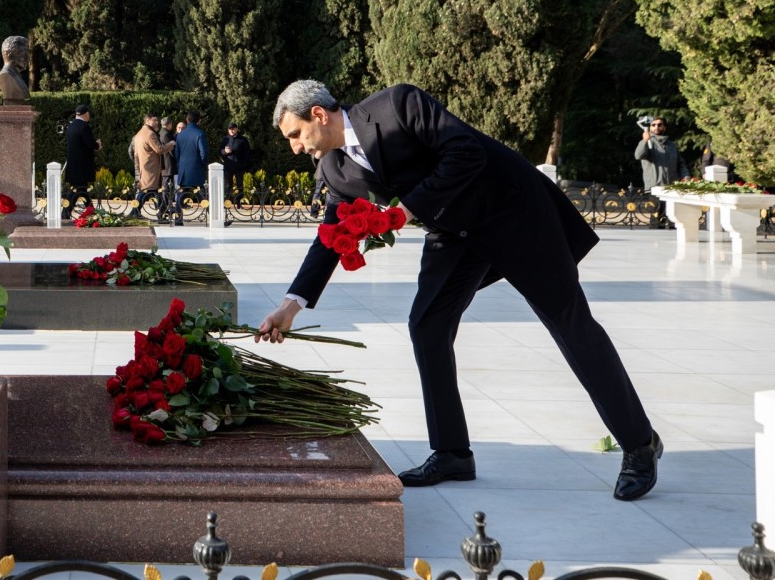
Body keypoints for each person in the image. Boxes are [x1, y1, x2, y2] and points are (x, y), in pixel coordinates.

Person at [258, 80, 662, 502]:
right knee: (427, 325)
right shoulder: (335, 169)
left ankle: (639, 445)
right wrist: (292, 305)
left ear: (318, 115)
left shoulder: (398, 105)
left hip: (511, 211)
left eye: (295, 135)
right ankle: (451, 453)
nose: (295, 148)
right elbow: (332, 235)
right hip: (454, 232)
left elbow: (466, 151)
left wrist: (406, 209)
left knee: (569, 322)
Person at [634, 116, 689, 228]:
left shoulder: (672, 146)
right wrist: (645, 140)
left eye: (660, 124)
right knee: (656, 222)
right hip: (655, 188)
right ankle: (655, 245)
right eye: (653, 125)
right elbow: (638, 155)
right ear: (649, 127)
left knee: (673, 221)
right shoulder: (647, 143)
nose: (656, 127)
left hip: (672, 189)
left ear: (664, 127)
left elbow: (680, 164)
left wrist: (686, 177)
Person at [132, 112, 175, 217]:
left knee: (150, 191)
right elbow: (159, 149)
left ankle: (160, 213)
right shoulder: (150, 134)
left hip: (145, 167)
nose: (157, 122)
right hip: (151, 168)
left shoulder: (139, 133)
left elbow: (135, 153)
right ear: (147, 121)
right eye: (154, 120)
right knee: (150, 191)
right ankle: (159, 213)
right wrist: (171, 144)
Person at [171, 110, 209, 226]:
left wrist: (180, 165)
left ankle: (178, 218)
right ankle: (214, 216)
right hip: (196, 169)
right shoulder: (200, 134)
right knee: (202, 194)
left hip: (183, 169)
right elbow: (204, 153)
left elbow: (177, 153)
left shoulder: (180, 134)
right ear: (199, 120)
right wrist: (203, 165)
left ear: (187, 120)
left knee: (181, 194)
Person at [64, 103, 101, 217]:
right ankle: (65, 212)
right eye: (88, 114)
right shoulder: (84, 126)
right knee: (79, 190)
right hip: (82, 166)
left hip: (73, 165)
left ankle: (91, 212)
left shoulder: (71, 126)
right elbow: (90, 144)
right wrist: (98, 145)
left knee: (79, 189)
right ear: (85, 114)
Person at [219, 121, 250, 200]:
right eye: (230, 129)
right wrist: (225, 151)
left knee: (240, 185)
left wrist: (244, 164)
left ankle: (239, 202)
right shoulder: (225, 139)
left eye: (233, 129)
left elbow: (247, 153)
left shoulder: (243, 140)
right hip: (228, 166)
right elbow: (220, 151)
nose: (231, 131)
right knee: (228, 185)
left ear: (237, 129)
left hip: (239, 166)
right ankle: (227, 202)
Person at [0, 35, 30, 104]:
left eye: (28, 53)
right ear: (10, 55)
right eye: (23, 53)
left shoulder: (17, 76)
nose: (27, 58)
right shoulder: (5, 76)